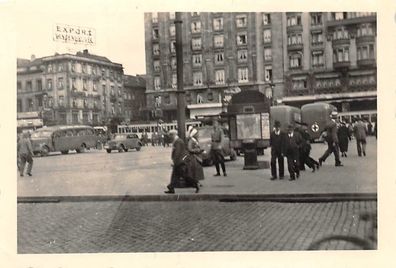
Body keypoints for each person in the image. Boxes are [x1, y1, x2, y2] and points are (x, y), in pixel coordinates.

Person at [165, 129, 199, 194]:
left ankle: (195, 184)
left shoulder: (178, 141)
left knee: (185, 176)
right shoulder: (177, 141)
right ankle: (171, 188)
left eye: (170, 135)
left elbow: (177, 152)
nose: (170, 137)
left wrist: (174, 161)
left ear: (173, 135)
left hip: (180, 161)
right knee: (175, 176)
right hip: (179, 161)